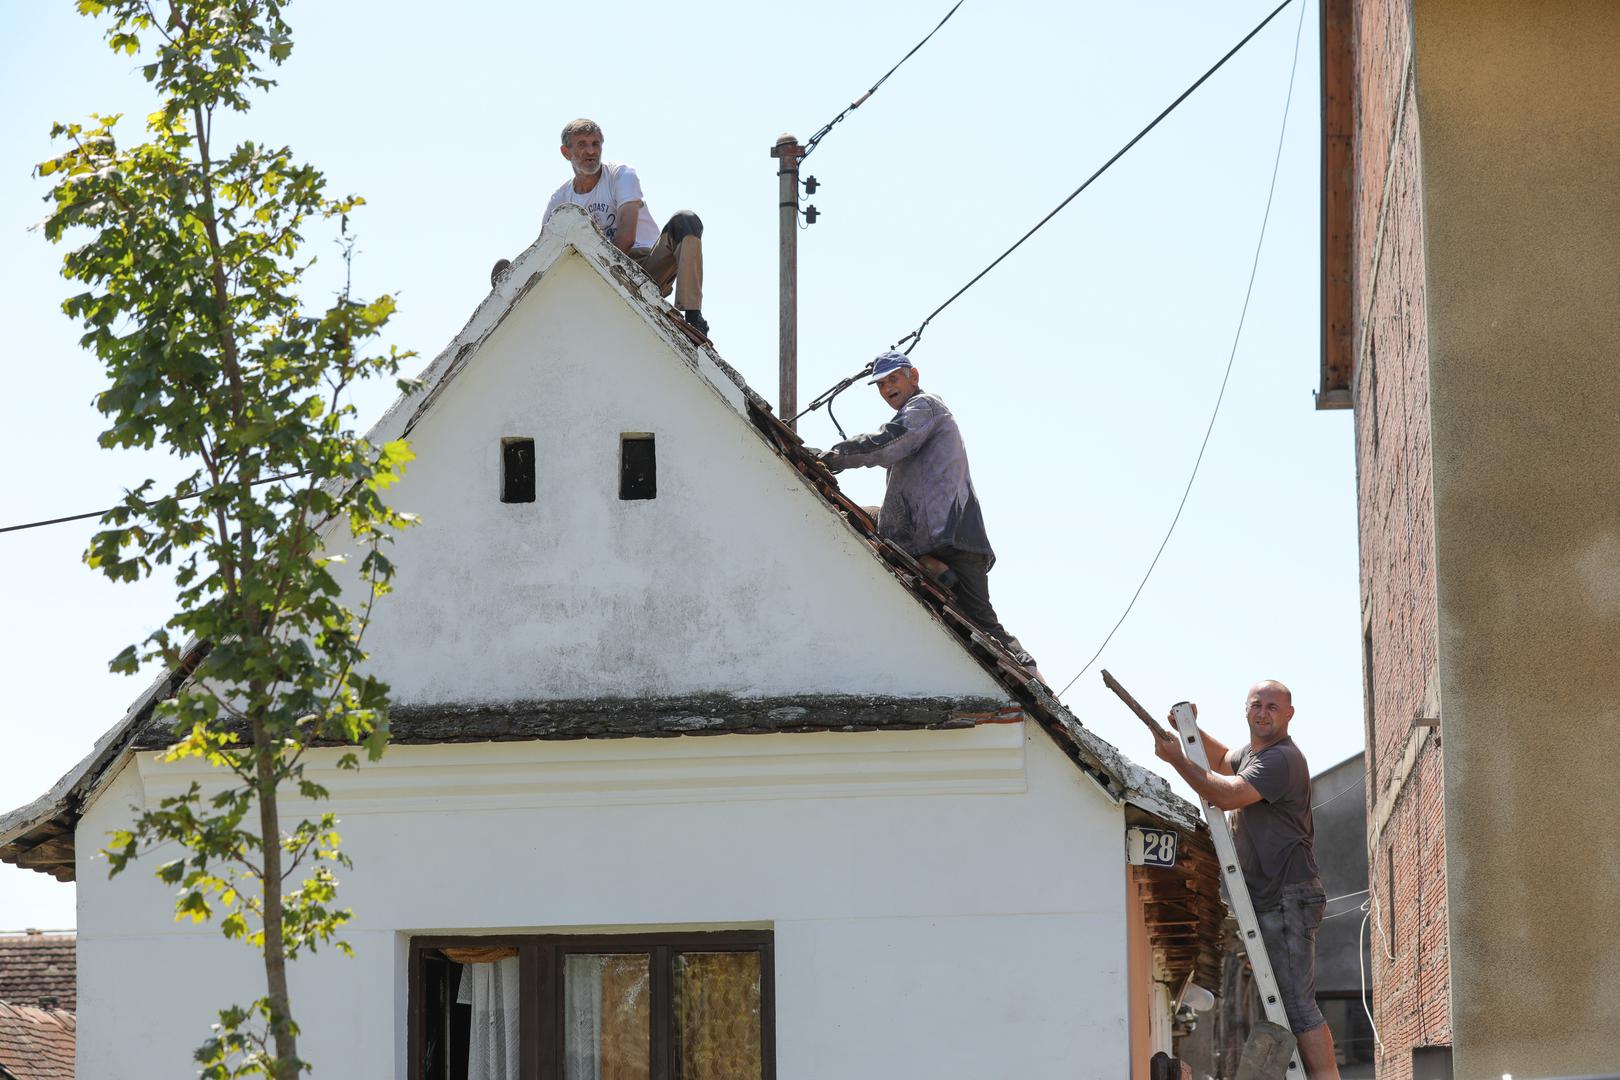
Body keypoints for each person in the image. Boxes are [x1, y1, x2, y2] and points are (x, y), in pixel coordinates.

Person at [1150, 681, 1340, 1079]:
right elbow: (1221, 760)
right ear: (1246, 710)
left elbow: (1228, 794)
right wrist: (1191, 732)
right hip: (1273, 897)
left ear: (1288, 715)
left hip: (1288, 895)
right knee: (1286, 1002)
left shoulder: (1281, 759)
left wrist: (1176, 760)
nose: (1263, 712)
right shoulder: (1256, 754)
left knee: (1298, 1004)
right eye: (1257, 705)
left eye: (1273, 706)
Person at [818, 351, 1037, 672]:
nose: (887, 388)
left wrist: (834, 457)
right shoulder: (921, 412)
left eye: (893, 379)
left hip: (943, 535)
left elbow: (887, 443)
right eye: (880, 384)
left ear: (914, 376)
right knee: (851, 516)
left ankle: (1030, 675)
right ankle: (933, 567)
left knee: (987, 627)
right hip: (936, 534)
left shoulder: (924, 407)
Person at [541, 118, 708, 336]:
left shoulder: (621, 175)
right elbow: (545, 250)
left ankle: (693, 316)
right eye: (582, 144)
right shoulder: (560, 199)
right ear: (566, 152)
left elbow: (626, 237)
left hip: (644, 265)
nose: (591, 151)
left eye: (596, 144)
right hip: (591, 274)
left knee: (686, 221)